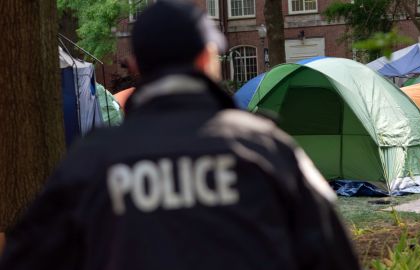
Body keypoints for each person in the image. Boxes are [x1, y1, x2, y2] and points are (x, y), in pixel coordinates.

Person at [0, 1, 360, 269]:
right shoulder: (266, 149)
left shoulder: (92, 162)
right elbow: (334, 256)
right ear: (206, 58)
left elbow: (26, 257)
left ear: (137, 64)